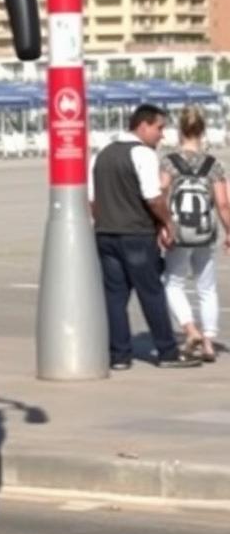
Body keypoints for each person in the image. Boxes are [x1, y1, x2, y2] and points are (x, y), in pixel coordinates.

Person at [89, 103, 200, 369]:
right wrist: (167, 222)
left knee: (114, 297)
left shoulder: (100, 155)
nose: (162, 135)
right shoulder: (143, 154)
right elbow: (153, 197)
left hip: (105, 233)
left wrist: (104, 221)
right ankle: (167, 352)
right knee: (151, 293)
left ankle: (119, 356)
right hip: (136, 234)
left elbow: (91, 200)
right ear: (143, 126)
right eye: (159, 128)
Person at [160, 105, 230, 362]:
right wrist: (229, 231)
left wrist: (162, 225)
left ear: (180, 130)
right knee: (207, 287)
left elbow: (163, 193)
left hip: (179, 232)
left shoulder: (169, 161)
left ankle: (190, 329)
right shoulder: (214, 164)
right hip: (205, 232)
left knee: (173, 282)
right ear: (203, 131)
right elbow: (223, 203)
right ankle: (209, 341)